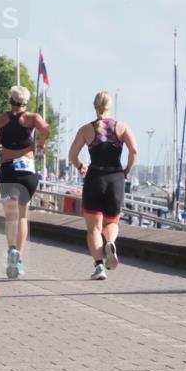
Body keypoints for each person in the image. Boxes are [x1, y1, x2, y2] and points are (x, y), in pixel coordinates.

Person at [67, 91, 138, 280]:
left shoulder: (86, 130)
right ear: (110, 106)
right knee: (112, 222)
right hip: (115, 178)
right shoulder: (121, 127)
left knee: (93, 229)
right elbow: (134, 150)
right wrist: (127, 169)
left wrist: (81, 166)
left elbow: (72, 155)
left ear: (94, 106)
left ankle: (99, 266)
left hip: (94, 179)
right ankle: (111, 242)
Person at [0, 86, 50, 278]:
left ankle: (11, 248)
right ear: (26, 101)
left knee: (10, 216)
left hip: (8, 170)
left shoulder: (1, 119)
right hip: (27, 172)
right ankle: (18, 259)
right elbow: (47, 129)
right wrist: (41, 143)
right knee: (22, 216)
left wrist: (0, 141)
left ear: (11, 100)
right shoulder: (33, 118)